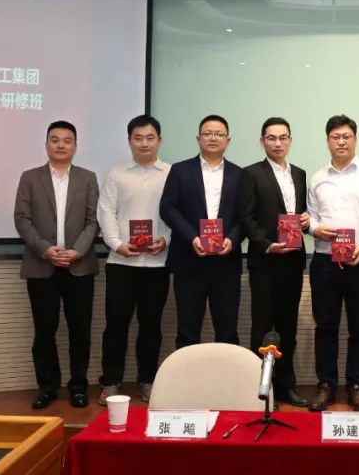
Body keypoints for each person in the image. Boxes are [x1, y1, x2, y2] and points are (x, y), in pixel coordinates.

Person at [306, 114, 359, 412]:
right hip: (324, 261)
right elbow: (309, 217)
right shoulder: (317, 178)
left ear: (355, 139)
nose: (341, 142)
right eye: (335, 137)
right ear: (327, 140)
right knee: (325, 326)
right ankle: (326, 385)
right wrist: (315, 228)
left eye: (346, 136)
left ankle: (357, 385)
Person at [13, 120, 100, 409]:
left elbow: (93, 221)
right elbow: (22, 219)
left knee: (80, 331)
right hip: (41, 266)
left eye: (67, 140)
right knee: (44, 331)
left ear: (75, 145)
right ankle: (47, 387)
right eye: (55, 139)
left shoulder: (88, 178)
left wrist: (77, 251)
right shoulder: (30, 177)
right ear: (47, 144)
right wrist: (45, 249)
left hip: (79, 266)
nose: (61, 145)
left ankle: (79, 386)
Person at [96, 114, 172, 405]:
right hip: (121, 264)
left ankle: (147, 380)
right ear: (129, 141)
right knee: (116, 326)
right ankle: (111, 382)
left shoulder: (171, 173)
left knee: (151, 327)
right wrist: (117, 245)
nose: (144, 143)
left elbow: (176, 213)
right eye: (138, 138)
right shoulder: (116, 174)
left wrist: (165, 240)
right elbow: (106, 212)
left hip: (158, 263)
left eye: (150, 137)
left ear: (159, 140)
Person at [238, 117, 310, 408]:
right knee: (262, 328)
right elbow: (246, 217)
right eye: (271, 138)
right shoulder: (251, 174)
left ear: (290, 140)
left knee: (288, 329)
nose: (277, 143)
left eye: (283, 138)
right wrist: (267, 244)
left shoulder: (300, 174)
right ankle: (261, 391)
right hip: (265, 262)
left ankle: (285, 387)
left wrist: (307, 220)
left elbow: (302, 214)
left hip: (293, 261)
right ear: (262, 141)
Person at [159, 114, 244, 348]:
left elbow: (245, 215)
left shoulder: (239, 174)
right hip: (189, 261)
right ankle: (188, 374)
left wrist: (232, 239)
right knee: (187, 331)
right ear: (198, 138)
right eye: (207, 133)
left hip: (226, 264)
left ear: (228, 140)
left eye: (219, 134)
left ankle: (226, 373)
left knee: (227, 332)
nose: (213, 138)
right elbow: (168, 208)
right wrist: (192, 238)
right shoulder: (180, 170)